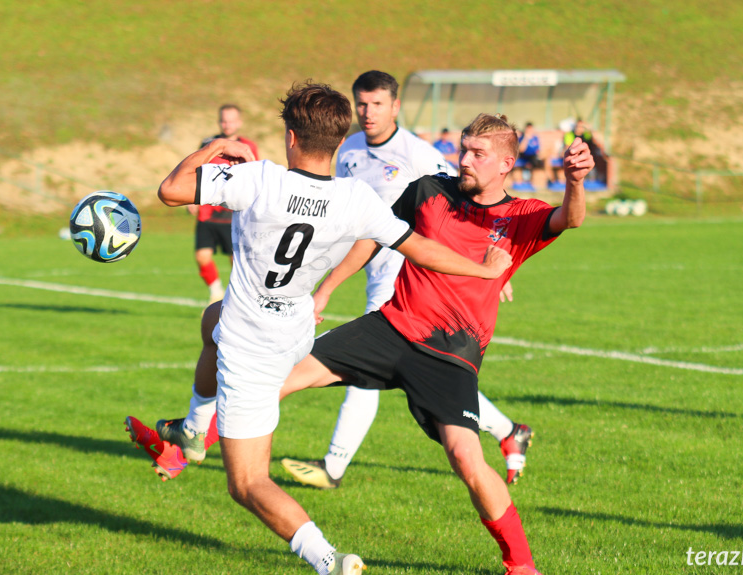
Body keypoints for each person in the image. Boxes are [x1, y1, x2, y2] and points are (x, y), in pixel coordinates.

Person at [134, 81, 513, 575]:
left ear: (291, 137)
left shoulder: (260, 180)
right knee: (212, 320)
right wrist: (485, 270)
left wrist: (215, 149)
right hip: (295, 327)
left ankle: (327, 560)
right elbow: (421, 249)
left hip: (254, 343)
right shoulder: (356, 198)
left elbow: (169, 191)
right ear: (340, 141)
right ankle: (190, 430)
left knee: (247, 484)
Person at [270, 112, 592, 575]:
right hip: (390, 328)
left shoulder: (521, 217)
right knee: (276, 379)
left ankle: (521, 565)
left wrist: (575, 182)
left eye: (477, 154)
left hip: (450, 356)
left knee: (466, 457)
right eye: (463, 149)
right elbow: (375, 238)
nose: (464, 160)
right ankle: (191, 440)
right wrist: (327, 288)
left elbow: (571, 218)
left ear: (505, 163)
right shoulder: (428, 191)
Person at [282, 71, 533, 490]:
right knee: (428, 379)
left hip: (407, 276)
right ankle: (508, 431)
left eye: (377, 104)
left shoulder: (420, 156)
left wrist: (491, 272)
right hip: (369, 264)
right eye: (361, 104)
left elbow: (468, 211)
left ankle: (333, 466)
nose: (367, 112)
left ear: (395, 107)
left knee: (361, 374)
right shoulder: (348, 148)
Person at [191, 104, 260, 303]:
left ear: (239, 122)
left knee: (235, 262)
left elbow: (255, 176)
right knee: (202, 256)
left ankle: (237, 298)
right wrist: (192, 199)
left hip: (232, 214)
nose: (227, 124)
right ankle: (215, 293)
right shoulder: (208, 143)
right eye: (223, 120)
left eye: (231, 120)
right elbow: (197, 169)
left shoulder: (248, 147)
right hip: (207, 212)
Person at [510, 122, 543, 192]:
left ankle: (532, 183)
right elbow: (521, 149)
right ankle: (519, 182)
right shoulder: (522, 138)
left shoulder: (535, 138)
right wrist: (526, 138)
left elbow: (538, 150)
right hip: (523, 157)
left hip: (532, 158)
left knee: (535, 162)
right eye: (528, 129)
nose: (530, 131)